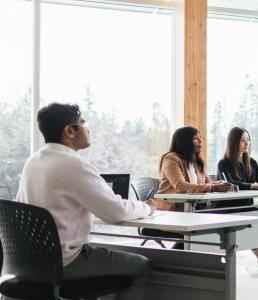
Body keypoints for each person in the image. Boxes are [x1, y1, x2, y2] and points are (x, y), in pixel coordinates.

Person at [15, 103, 157, 300]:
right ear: (70, 130)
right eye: (83, 122)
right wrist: (147, 208)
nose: (88, 128)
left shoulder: (34, 161)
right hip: (65, 263)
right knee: (142, 265)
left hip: (26, 264)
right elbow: (116, 212)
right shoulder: (73, 164)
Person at [153, 126, 235, 249]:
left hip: (195, 211)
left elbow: (207, 183)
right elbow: (180, 186)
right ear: (184, 141)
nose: (201, 142)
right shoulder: (171, 159)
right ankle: (177, 260)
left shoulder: (196, 160)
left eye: (200, 138)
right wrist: (213, 187)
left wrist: (223, 184)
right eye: (196, 138)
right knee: (207, 229)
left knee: (228, 220)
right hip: (172, 212)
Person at [216, 127, 258, 277]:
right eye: (243, 141)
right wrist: (254, 185)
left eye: (248, 140)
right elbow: (230, 184)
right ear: (234, 143)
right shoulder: (223, 163)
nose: (247, 143)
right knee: (250, 223)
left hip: (246, 206)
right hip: (228, 208)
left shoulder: (251, 162)